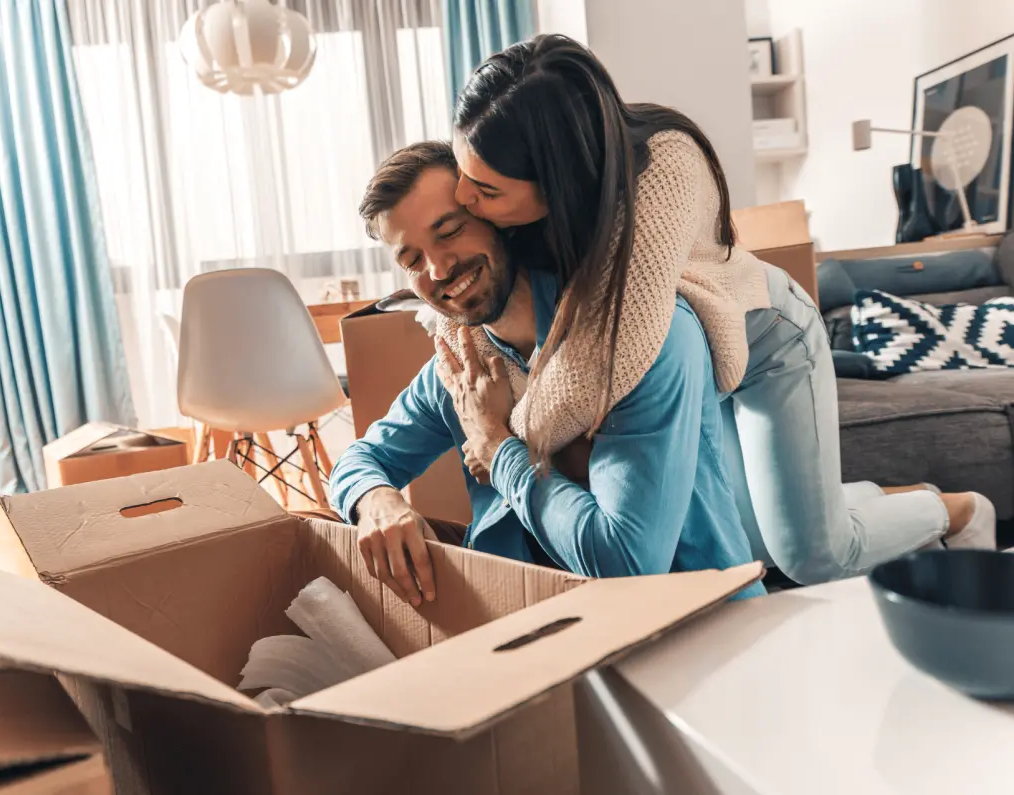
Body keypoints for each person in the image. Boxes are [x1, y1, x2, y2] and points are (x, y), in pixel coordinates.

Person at [442, 33, 995, 585]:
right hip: (702, 358)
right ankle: (852, 504)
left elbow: (612, 350)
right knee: (755, 539)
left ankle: (957, 511)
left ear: (557, 183)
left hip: (770, 342)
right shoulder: (523, 194)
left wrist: (498, 436)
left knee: (812, 557)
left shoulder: (664, 166)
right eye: (461, 174)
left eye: (485, 191)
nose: (464, 199)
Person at [328, 141, 765, 606]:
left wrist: (499, 451)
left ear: (497, 219)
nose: (437, 268)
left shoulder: (644, 334)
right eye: (412, 260)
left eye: (450, 231)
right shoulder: (460, 367)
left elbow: (627, 562)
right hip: (540, 628)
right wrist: (375, 500)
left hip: (699, 624)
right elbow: (358, 461)